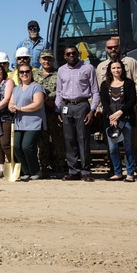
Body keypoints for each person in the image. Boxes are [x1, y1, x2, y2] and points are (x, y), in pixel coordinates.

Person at [94, 36, 137, 177]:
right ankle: (115, 170)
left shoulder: (131, 62)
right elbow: (100, 92)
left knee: (134, 143)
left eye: (115, 47)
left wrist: (129, 106)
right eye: (109, 47)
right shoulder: (101, 67)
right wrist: (105, 111)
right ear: (106, 49)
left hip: (128, 111)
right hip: (109, 114)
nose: (113, 49)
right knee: (112, 144)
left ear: (120, 47)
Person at [56, 45, 100, 181]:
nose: (71, 56)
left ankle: (86, 171)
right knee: (69, 140)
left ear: (78, 54)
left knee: (83, 139)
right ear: (64, 56)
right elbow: (58, 92)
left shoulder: (88, 68)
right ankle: (73, 171)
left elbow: (95, 91)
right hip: (66, 106)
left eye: (73, 53)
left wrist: (92, 110)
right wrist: (57, 110)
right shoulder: (61, 70)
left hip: (82, 105)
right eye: (68, 54)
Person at [99, 60, 137, 182]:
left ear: (122, 69)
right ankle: (117, 172)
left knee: (128, 147)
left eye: (119, 68)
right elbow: (104, 102)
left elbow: (132, 100)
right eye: (114, 68)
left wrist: (120, 112)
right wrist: (112, 116)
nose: (116, 70)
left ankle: (130, 173)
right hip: (110, 120)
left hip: (126, 118)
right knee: (112, 148)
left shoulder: (129, 83)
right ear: (110, 70)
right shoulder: (105, 84)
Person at [9, 63, 45, 181]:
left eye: (27, 71)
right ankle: (26, 171)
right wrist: (11, 107)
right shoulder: (16, 89)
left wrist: (20, 109)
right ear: (19, 75)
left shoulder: (36, 87)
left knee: (27, 146)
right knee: (16, 146)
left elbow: (37, 104)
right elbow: (11, 102)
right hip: (19, 123)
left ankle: (35, 170)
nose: (24, 74)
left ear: (31, 73)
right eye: (22, 72)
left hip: (33, 122)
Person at [34, 50, 65, 178]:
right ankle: (43, 167)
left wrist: (51, 101)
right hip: (39, 112)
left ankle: (60, 167)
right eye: (44, 59)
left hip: (54, 111)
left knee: (58, 140)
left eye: (49, 59)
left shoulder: (59, 74)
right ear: (40, 60)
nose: (46, 61)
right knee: (42, 141)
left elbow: (62, 91)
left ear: (53, 60)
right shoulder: (34, 75)